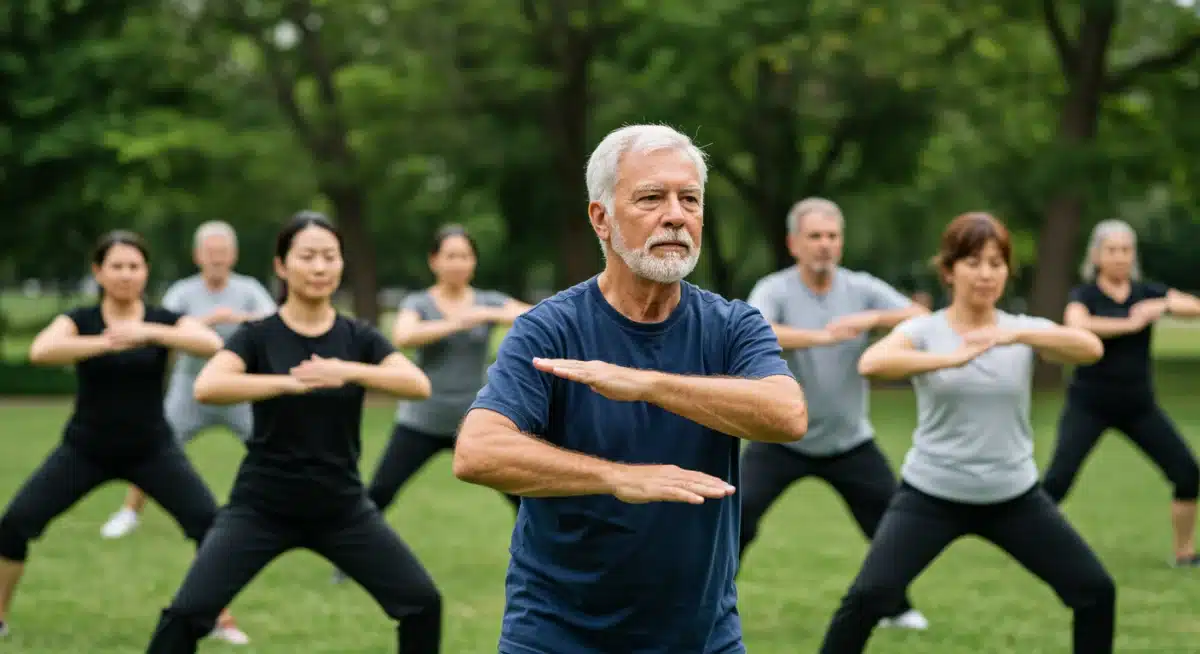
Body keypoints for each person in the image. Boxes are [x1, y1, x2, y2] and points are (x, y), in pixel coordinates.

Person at [452, 124, 809, 654]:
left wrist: (651, 385)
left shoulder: (733, 325)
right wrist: (617, 478)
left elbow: (787, 415)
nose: (676, 215)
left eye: (690, 199)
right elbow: (478, 451)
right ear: (602, 218)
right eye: (651, 198)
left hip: (700, 637)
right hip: (556, 637)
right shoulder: (549, 329)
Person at [815, 212, 1114, 653]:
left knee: (1095, 591)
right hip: (931, 496)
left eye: (996, 263)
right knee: (867, 598)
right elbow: (872, 362)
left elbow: (1090, 348)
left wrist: (1015, 338)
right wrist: (950, 359)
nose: (986, 274)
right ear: (949, 270)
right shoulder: (924, 330)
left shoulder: (1020, 330)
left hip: (1014, 497)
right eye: (973, 262)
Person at [145, 212, 442, 654]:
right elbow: (209, 386)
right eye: (307, 257)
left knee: (421, 603)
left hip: (341, 506)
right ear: (282, 266)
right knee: (188, 615)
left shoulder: (357, 337)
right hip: (261, 506)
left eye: (329, 256)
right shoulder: (258, 336)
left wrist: (346, 370)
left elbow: (417, 384)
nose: (320, 267)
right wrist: (288, 382)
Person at [0, 231, 246, 643]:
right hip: (85, 449)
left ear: (145, 272)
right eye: (116, 266)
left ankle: (219, 619)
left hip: (151, 449)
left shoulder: (162, 319)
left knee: (209, 524)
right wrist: (105, 342)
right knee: (14, 524)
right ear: (99, 271)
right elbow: (41, 351)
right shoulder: (82, 319)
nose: (126, 274)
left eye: (134, 266)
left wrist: (150, 333)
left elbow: (210, 342)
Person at [739, 197, 930, 631]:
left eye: (832, 236)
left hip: (848, 440)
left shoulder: (860, 288)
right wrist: (819, 337)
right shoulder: (776, 288)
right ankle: (711, 603)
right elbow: (756, 328)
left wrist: (873, 318)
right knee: (740, 515)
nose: (824, 245)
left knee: (889, 521)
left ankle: (895, 606)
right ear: (794, 243)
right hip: (781, 437)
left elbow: (921, 316)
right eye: (815, 236)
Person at [331, 224, 531, 584]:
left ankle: (546, 556)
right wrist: (458, 321)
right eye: (450, 256)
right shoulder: (418, 303)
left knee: (521, 493)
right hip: (421, 420)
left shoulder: (488, 301)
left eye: (465, 256)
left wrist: (486, 314)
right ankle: (347, 559)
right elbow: (403, 336)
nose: (458, 263)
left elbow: (532, 316)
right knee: (379, 492)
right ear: (434, 261)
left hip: (474, 422)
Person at [102, 220, 276, 541]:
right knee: (153, 448)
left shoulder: (249, 289)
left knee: (273, 446)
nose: (217, 258)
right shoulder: (183, 291)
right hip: (189, 388)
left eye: (222, 252)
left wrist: (235, 317)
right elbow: (159, 329)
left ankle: (281, 511)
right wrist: (207, 321)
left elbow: (274, 321)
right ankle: (129, 513)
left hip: (238, 387)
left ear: (233, 255)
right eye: (210, 252)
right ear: (198, 255)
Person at [1043, 219, 1200, 566]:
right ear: (1097, 256)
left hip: (1138, 406)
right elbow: (1077, 325)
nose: (1119, 257)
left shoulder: (1147, 293)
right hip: (1089, 405)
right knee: (1058, 480)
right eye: (1111, 250)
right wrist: (1130, 323)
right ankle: (1028, 543)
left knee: (1187, 472)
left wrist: (1163, 307)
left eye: (1126, 250)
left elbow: (1193, 306)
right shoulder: (1085, 296)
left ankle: (1185, 553)